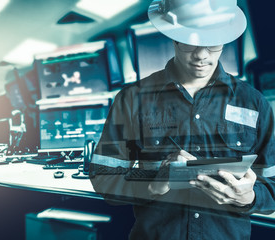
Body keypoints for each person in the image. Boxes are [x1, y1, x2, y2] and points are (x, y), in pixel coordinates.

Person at [89, 0, 275, 239]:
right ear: (173, 36)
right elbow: (103, 176)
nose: (201, 55)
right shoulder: (131, 99)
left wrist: (249, 197)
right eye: (191, 42)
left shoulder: (254, 102)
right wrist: (152, 184)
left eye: (212, 43)